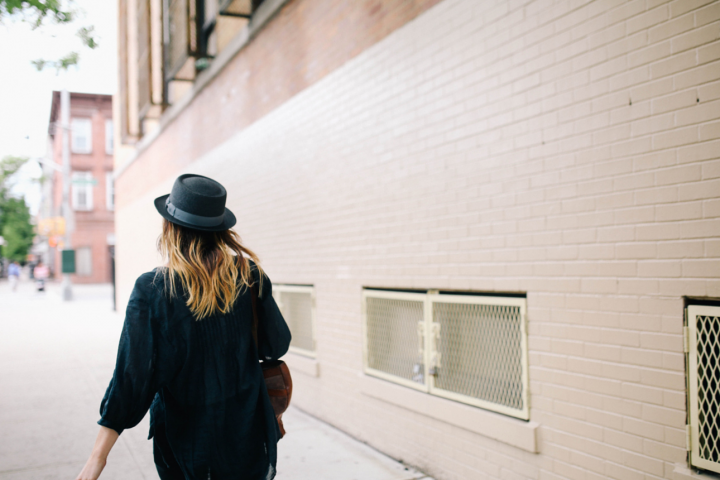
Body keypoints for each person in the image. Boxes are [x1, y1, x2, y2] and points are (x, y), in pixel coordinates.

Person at [76, 174, 292, 480]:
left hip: (187, 442)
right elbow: (276, 345)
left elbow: (131, 379)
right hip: (248, 432)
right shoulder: (250, 275)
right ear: (219, 230)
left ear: (170, 227)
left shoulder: (152, 290)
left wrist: (98, 457)